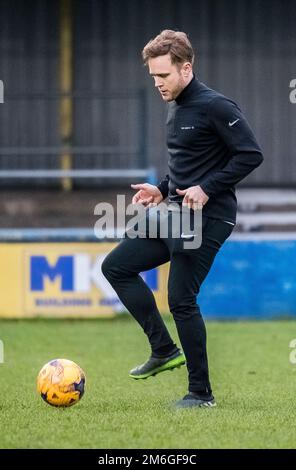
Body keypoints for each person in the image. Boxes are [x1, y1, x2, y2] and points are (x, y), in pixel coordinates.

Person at [101, 30, 263, 408]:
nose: (157, 84)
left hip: (210, 218)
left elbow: (250, 154)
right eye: (153, 77)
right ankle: (163, 349)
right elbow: (188, 164)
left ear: (185, 68)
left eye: (163, 76)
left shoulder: (216, 106)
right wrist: (161, 188)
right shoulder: (175, 104)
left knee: (181, 299)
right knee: (116, 267)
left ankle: (201, 394)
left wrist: (206, 188)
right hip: (174, 213)